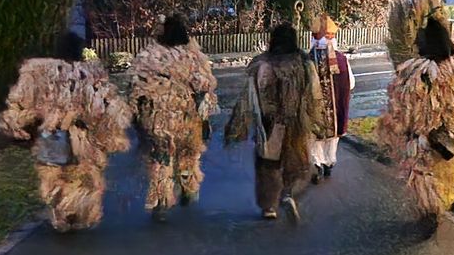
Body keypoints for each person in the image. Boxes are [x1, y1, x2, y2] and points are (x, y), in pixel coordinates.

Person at [0, 31, 132, 232]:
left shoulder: (39, 72)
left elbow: (20, 102)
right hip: (82, 139)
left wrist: (16, 124)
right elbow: (107, 107)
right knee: (82, 177)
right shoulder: (88, 76)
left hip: (50, 135)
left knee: (54, 176)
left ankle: (61, 215)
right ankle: (75, 212)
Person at [378, 16, 454, 222]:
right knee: (441, 174)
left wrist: (395, 126)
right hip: (446, 135)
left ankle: (429, 211)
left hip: (421, 136)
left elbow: (402, 104)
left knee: (421, 177)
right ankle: (434, 209)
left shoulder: (415, 72)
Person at [225, 23, 323, 221]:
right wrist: (317, 122)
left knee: (267, 165)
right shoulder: (303, 63)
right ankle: (287, 193)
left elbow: (248, 96)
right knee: (295, 162)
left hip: (268, 123)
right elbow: (315, 94)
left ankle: (269, 206)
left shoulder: (261, 63)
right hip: (297, 122)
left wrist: (238, 124)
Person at [128, 14, 218, 220]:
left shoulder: (149, 55)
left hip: (158, 120)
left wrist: (137, 115)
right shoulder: (192, 56)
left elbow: (135, 87)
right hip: (187, 118)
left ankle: (161, 204)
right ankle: (188, 188)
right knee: (187, 157)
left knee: (161, 160)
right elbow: (205, 85)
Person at [308, 13, 354, 183]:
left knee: (315, 138)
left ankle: (317, 164)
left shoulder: (307, 60)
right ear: (332, 38)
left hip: (314, 110)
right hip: (334, 111)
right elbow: (351, 84)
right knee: (332, 136)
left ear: (313, 38)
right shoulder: (341, 59)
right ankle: (329, 164)